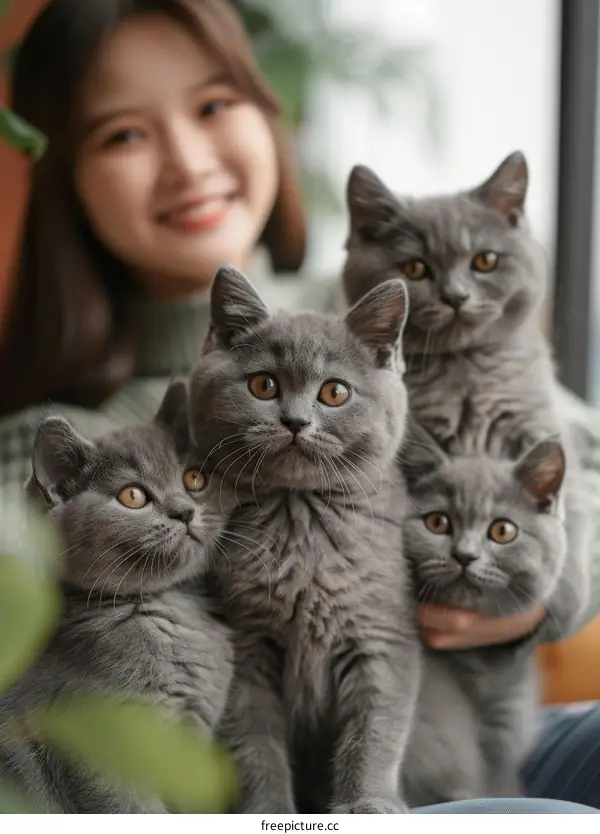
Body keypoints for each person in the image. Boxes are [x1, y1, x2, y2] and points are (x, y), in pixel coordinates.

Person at [1, 0, 600, 814]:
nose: (187, 159)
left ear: (267, 114)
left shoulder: (380, 312)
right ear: (63, 170)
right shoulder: (57, 431)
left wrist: (533, 577)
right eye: (124, 135)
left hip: (477, 724)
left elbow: (570, 450)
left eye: (214, 105)